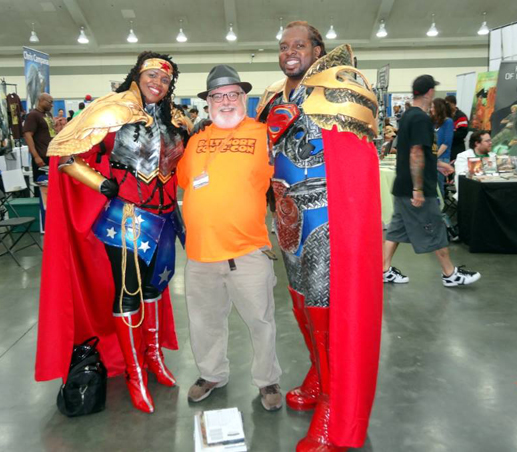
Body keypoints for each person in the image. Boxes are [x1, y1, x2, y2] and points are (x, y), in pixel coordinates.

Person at [35, 52, 192, 414]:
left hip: (166, 217)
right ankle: (134, 373)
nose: (158, 82)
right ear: (136, 75)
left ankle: (153, 359)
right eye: (151, 74)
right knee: (130, 295)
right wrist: (101, 183)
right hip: (127, 218)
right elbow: (65, 154)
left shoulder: (175, 120)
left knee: (155, 290)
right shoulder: (111, 111)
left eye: (165, 78)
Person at [257, 21, 383, 451]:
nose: (290, 51)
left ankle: (334, 403)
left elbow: (356, 160)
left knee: (325, 311)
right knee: (302, 308)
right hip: (288, 221)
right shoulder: (275, 95)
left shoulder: (340, 87)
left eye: (299, 45)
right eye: (283, 46)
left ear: (317, 49)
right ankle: (319, 374)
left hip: (327, 224)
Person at [177, 65, 283, 412]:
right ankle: (211, 374)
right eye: (217, 96)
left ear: (244, 98)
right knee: (204, 323)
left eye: (232, 94)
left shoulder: (264, 135)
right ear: (207, 102)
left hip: (248, 250)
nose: (225, 101)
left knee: (261, 321)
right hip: (201, 253)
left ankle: (267, 379)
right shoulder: (195, 141)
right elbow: (184, 183)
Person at [383, 75, 481, 287]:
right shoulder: (419, 118)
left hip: (403, 186)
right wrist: (418, 189)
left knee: (396, 230)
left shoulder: (409, 115)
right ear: (429, 92)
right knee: (436, 227)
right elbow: (416, 153)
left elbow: (415, 152)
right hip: (416, 188)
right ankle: (450, 274)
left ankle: (383, 269)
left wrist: (437, 164)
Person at [23, 93, 55, 183]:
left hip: (51, 155)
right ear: (41, 101)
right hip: (41, 156)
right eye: (50, 102)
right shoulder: (33, 115)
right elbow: (27, 135)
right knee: (42, 186)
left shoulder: (48, 114)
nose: (52, 105)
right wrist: (36, 156)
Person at [454, 131, 495, 197]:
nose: (490, 143)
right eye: (487, 141)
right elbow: (461, 175)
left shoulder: (494, 156)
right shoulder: (463, 156)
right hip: (471, 193)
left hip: (491, 192)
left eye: (490, 141)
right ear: (477, 143)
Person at [431, 98, 454, 198]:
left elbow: (446, 143)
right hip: (433, 157)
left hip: (442, 158)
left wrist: (435, 157)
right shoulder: (433, 122)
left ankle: (440, 209)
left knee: (439, 186)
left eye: (433, 107)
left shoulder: (448, 122)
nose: (431, 109)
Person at [445, 95, 469, 160]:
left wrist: (449, 134)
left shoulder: (461, 116)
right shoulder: (446, 116)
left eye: (448, 104)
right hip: (447, 149)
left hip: (457, 149)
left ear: (453, 104)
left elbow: (462, 133)